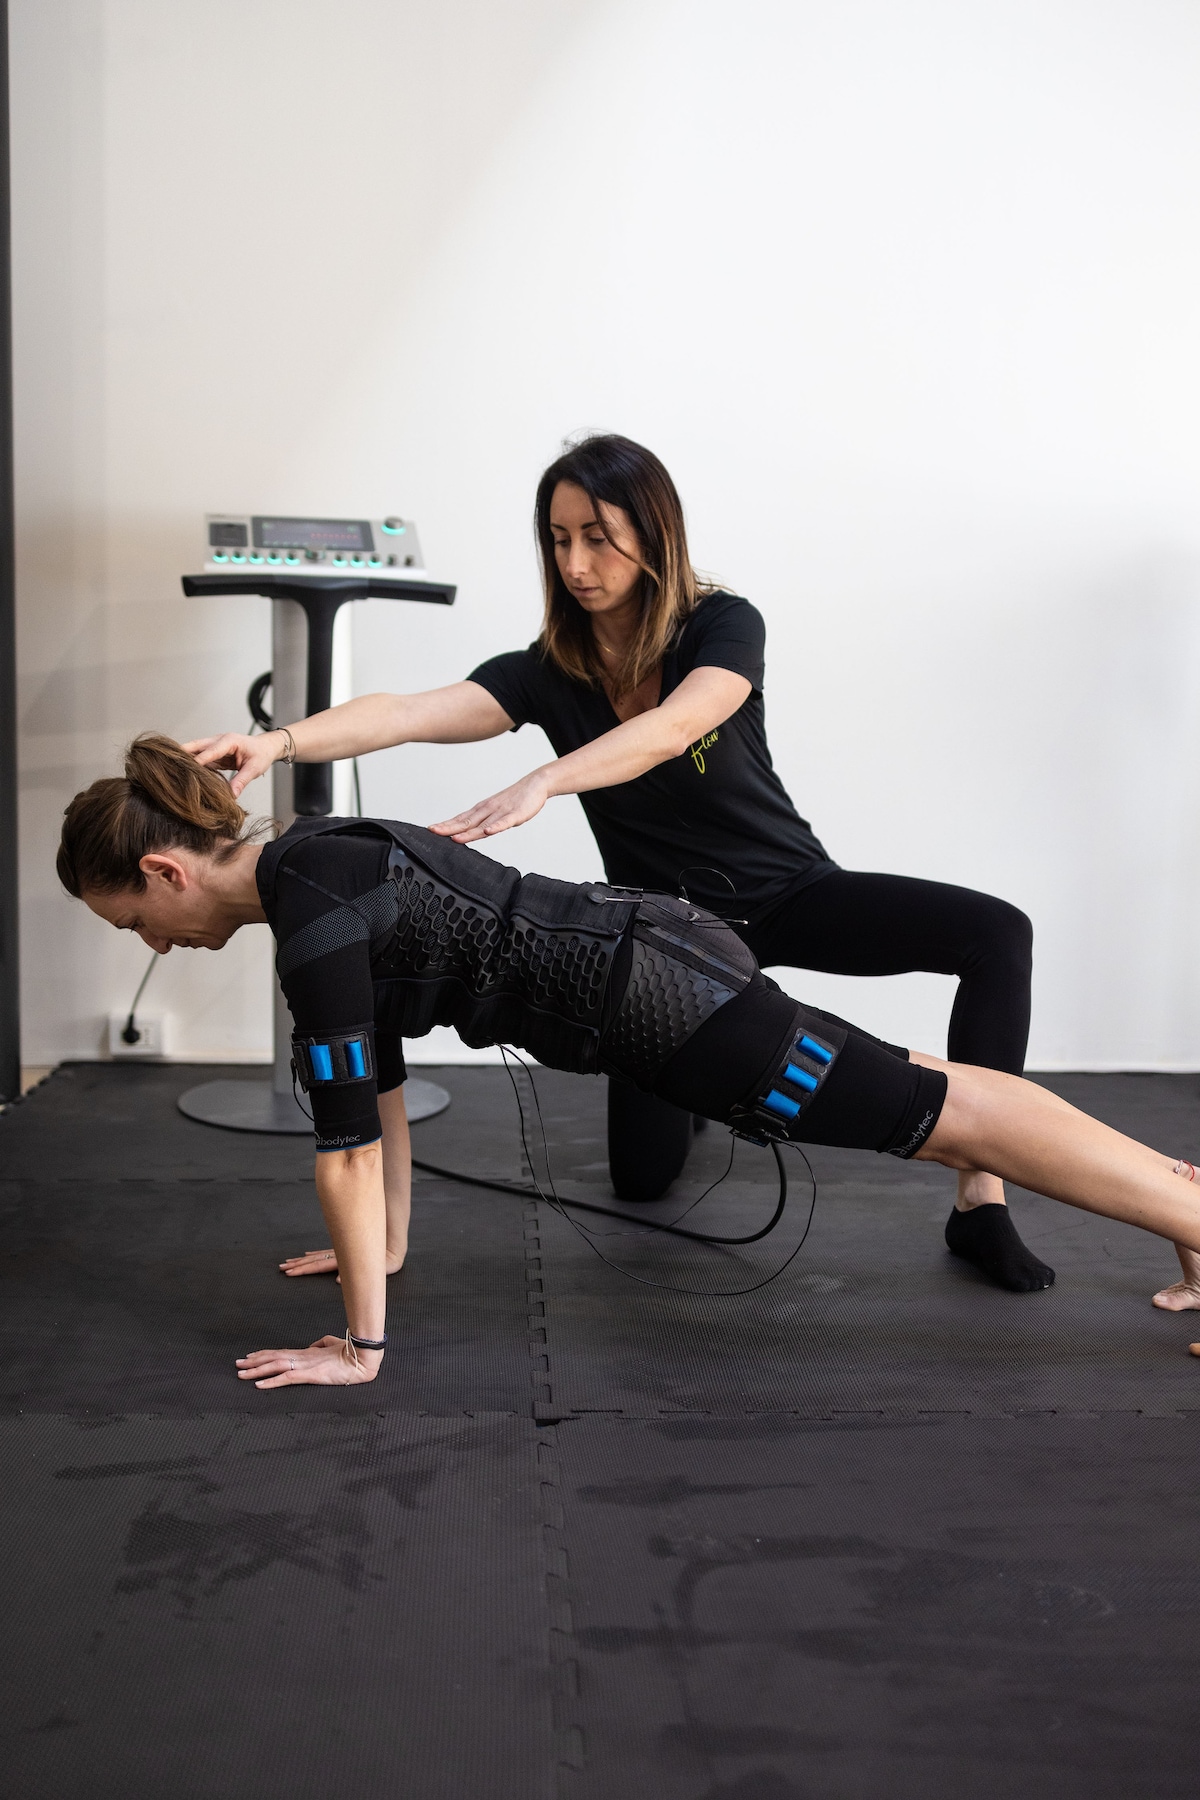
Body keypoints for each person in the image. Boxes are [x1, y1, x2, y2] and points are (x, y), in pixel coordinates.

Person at [57, 736, 1200, 1388]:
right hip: (663, 954)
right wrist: (387, 1250)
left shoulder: (312, 918)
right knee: (943, 1097)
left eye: (135, 923)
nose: (153, 946)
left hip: (679, 1016)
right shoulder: (319, 856)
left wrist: (362, 1348)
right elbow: (383, 1090)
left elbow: (346, 1149)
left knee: (945, 1122)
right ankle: (1179, 1194)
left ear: (166, 872)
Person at [190, 438, 1037, 1291]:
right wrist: (277, 740)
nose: (575, 564)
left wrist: (547, 778)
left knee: (996, 933)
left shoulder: (721, 625)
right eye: (559, 540)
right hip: (667, 949)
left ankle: (982, 1197)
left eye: (597, 538)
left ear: (653, 532)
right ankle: (711, 1078)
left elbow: (675, 727)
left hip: (786, 892)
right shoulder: (550, 672)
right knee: (643, 1180)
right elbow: (410, 711)